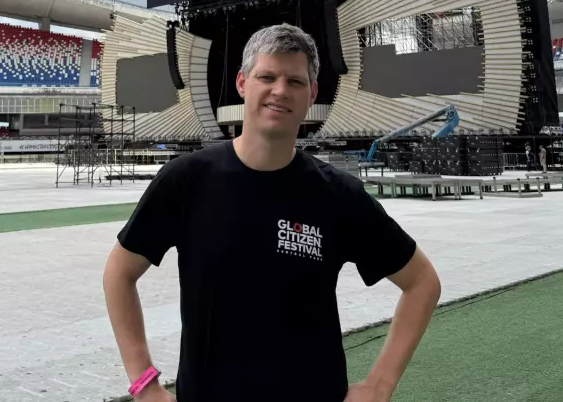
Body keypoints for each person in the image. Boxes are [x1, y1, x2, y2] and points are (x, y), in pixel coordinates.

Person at [103, 23, 441, 401]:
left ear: (312, 94)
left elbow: (422, 282)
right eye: (267, 77)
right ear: (242, 83)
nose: (280, 90)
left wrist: (379, 386)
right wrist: (144, 385)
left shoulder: (338, 194)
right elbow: (119, 272)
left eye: (295, 81)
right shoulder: (186, 180)